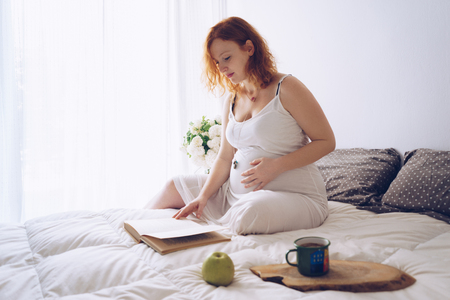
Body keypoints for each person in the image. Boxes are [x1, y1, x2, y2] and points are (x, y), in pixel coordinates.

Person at [144, 17, 335, 235]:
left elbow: (326, 142)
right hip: (234, 196)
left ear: (249, 48)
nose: (222, 68)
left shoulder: (287, 87)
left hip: (295, 196)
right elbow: (225, 156)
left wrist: (276, 166)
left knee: (250, 212)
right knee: (174, 185)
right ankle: (133, 230)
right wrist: (203, 197)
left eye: (226, 57)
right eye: (217, 62)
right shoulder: (232, 99)